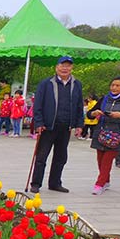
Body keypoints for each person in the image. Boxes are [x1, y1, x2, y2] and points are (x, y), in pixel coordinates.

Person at [29, 56, 84, 193]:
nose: (65, 68)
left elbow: (79, 106)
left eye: (68, 65)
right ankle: (36, 183)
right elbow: (38, 105)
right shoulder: (46, 83)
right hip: (48, 126)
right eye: (62, 65)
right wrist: (39, 123)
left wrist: (79, 124)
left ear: (72, 68)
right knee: (41, 157)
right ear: (56, 67)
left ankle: (55, 183)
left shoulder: (76, 84)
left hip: (66, 127)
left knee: (61, 157)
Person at [86, 76, 120, 195]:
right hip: (101, 132)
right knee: (100, 159)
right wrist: (94, 113)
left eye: (118, 85)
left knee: (107, 160)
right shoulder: (105, 98)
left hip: (117, 135)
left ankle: (99, 184)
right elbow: (90, 114)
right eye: (112, 85)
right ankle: (106, 180)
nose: (114, 88)